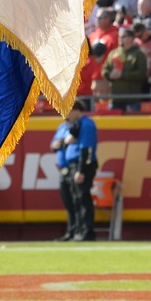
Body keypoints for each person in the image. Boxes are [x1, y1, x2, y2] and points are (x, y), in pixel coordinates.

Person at [52, 99, 98, 241]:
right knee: (71, 200)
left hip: (80, 166)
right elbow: (56, 144)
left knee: (82, 199)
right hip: (68, 167)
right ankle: (75, 230)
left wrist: (81, 170)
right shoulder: (68, 126)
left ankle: (86, 232)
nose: (65, 115)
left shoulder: (87, 124)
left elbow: (87, 149)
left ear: (76, 110)